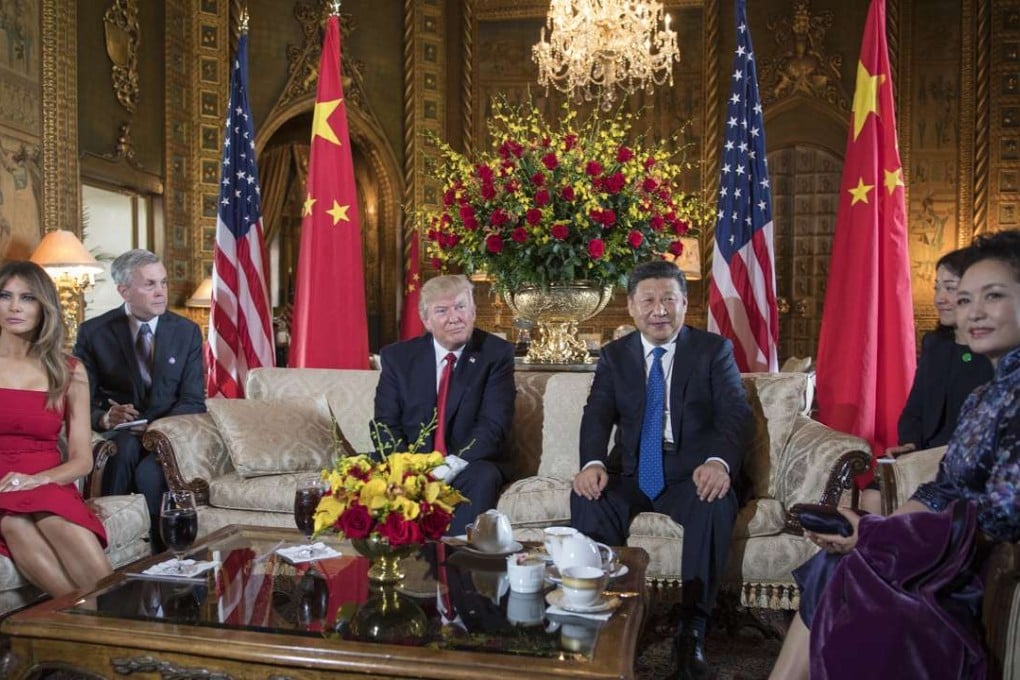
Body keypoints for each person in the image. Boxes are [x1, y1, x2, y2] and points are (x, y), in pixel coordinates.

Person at [771, 229, 1020, 679]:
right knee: (835, 561)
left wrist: (876, 539)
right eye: (964, 301)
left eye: (993, 296)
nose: (973, 312)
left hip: (971, 566)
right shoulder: (985, 395)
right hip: (940, 547)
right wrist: (877, 528)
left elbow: (1002, 516)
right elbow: (941, 490)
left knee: (853, 570)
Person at [570, 260, 752, 680]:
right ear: (631, 308)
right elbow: (597, 414)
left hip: (692, 472)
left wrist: (718, 462)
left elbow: (734, 415)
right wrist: (593, 463)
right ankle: (606, 620)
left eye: (668, 299)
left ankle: (692, 631)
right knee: (588, 496)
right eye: (648, 300)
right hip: (633, 471)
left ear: (684, 304)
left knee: (714, 501)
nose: (659, 310)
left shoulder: (712, 351)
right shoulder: (615, 356)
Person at [73, 249, 205, 552]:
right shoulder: (94, 333)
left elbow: (193, 400)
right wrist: (105, 418)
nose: (161, 292)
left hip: (168, 435)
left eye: (163, 283)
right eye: (150, 285)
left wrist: (155, 429)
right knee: (121, 453)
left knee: (150, 472)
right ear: (124, 291)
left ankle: (165, 553)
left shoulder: (186, 332)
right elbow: (83, 400)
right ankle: (109, 546)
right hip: (121, 434)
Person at [0, 261, 112, 596]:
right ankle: (90, 632)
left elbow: (82, 460)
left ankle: (114, 623)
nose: (15, 306)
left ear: (44, 306)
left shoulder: (69, 370)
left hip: (45, 479)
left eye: (28, 297)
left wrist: (40, 479)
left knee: (57, 520)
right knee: (14, 525)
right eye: (5, 296)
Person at [372, 274, 515, 535]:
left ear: (473, 311)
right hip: (411, 460)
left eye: (461, 307)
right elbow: (385, 421)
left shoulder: (496, 354)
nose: (454, 317)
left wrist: (449, 467)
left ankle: (457, 564)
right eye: (442, 310)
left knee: (483, 476)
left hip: (468, 462)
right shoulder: (398, 358)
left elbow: (493, 426)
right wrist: (406, 468)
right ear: (426, 321)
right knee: (358, 471)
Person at [860, 248, 995, 513]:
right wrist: (911, 443)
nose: (940, 298)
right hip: (922, 455)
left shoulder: (995, 354)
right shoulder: (935, 345)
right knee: (872, 499)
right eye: (937, 288)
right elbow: (915, 410)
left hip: (967, 465)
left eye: (950, 288)